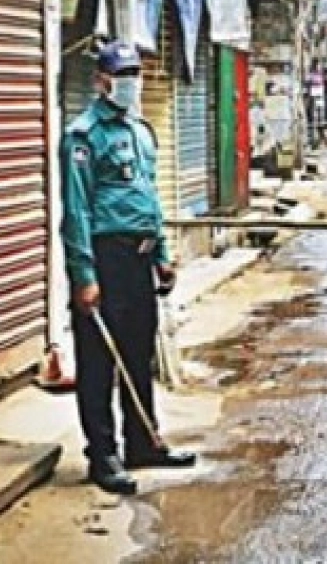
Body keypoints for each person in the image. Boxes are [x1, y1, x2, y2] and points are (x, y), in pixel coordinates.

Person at [61, 42, 196, 495]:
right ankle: (103, 456)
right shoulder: (83, 136)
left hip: (139, 258)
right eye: (122, 74)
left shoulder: (140, 132)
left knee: (138, 355)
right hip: (105, 258)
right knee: (100, 362)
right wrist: (84, 275)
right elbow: (76, 212)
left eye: (135, 73)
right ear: (101, 81)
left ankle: (143, 442)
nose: (131, 82)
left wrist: (161, 255)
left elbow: (149, 198)